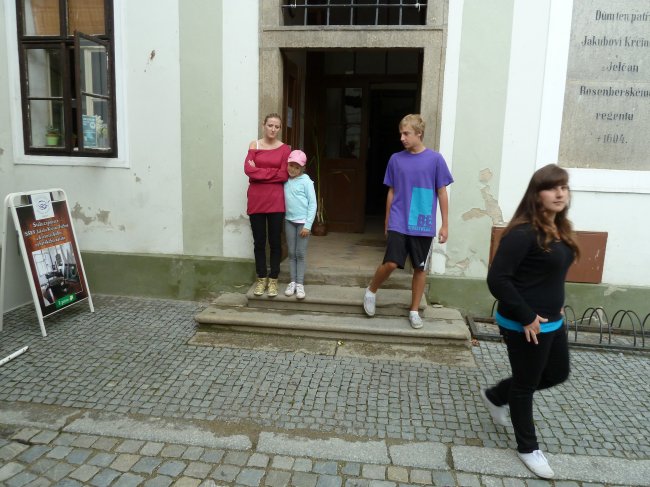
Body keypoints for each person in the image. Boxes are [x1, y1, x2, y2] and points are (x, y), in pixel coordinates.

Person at [481, 164, 580, 479]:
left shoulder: (560, 228)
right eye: (552, 188)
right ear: (536, 195)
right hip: (525, 323)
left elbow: (547, 273)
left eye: (563, 187)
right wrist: (525, 315)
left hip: (552, 320)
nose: (560, 193)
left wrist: (557, 301)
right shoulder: (523, 233)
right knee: (525, 385)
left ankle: (496, 395)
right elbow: (497, 279)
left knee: (557, 373)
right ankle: (528, 448)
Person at [363, 114, 453, 329]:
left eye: (406, 133)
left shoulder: (435, 159)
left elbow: (442, 192)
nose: (402, 138)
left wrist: (445, 224)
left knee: (420, 268)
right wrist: (387, 220)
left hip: (422, 221)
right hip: (399, 219)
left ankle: (414, 310)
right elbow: (391, 191)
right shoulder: (396, 159)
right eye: (401, 134)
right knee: (391, 262)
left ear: (419, 134)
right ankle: (371, 291)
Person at [244, 113, 291, 297]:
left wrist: (259, 172)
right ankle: (261, 278)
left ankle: (273, 279)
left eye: (276, 127)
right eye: (270, 125)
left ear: (280, 128)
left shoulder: (285, 149)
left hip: (276, 201)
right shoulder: (254, 145)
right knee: (259, 242)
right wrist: (272, 172)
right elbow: (248, 170)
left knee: (275, 241)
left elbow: (284, 175)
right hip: (256, 200)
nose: (273, 129)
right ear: (263, 125)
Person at [283, 149, 317, 300]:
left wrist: (308, 225)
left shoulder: (306, 181)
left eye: (297, 167)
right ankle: (292, 282)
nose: (293, 169)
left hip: (302, 223)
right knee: (291, 253)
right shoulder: (285, 180)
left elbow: (313, 204)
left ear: (302, 168)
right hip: (289, 221)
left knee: (300, 254)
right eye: (291, 165)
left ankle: (300, 284)